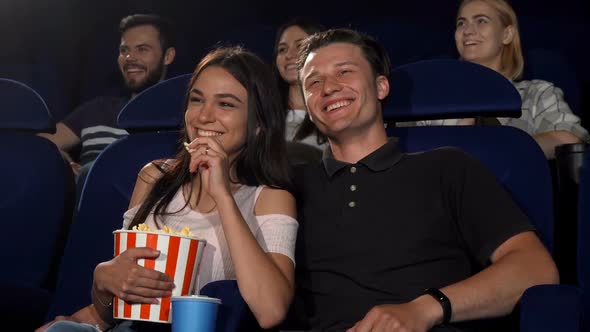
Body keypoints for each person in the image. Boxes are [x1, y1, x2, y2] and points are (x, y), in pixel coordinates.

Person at [290, 28, 559, 331]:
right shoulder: (289, 186)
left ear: (381, 87)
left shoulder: (448, 168)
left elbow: (534, 269)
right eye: (314, 82)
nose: (328, 88)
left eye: (344, 72)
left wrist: (426, 309)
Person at [37, 46, 298, 332]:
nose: (204, 116)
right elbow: (117, 308)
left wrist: (223, 195)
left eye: (226, 104)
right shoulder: (154, 176)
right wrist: (104, 282)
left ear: (259, 123)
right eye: (197, 100)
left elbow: (271, 311)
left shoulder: (270, 197)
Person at [413, 0, 589, 159]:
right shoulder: (434, 101)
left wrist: (495, 149)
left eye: (481, 20)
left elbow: (569, 139)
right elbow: (404, 150)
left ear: (507, 34)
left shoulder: (537, 94)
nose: (467, 31)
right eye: (461, 23)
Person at [40, 13, 177, 177]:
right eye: (124, 50)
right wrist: (65, 164)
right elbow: (40, 142)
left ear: (168, 56)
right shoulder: (97, 109)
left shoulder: (183, 118)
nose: (129, 57)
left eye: (142, 49)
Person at [273, 17, 327, 151]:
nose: (289, 55)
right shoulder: (264, 116)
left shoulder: (335, 110)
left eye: (300, 46)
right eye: (282, 49)